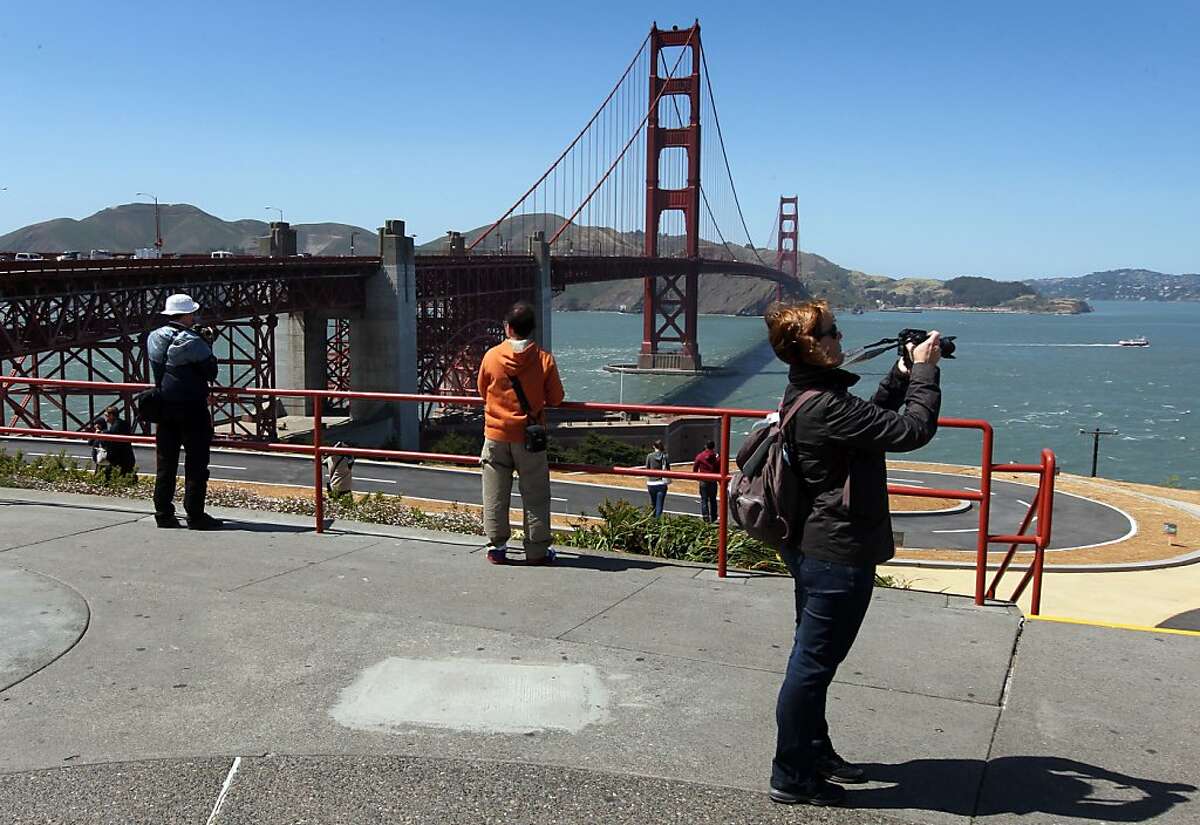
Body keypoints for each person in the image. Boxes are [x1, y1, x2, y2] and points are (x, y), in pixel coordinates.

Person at [764, 300, 941, 807]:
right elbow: (911, 430)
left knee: (813, 660)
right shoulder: (825, 404)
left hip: (814, 547)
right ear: (813, 346)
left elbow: (871, 419)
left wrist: (902, 372)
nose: (840, 336)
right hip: (836, 554)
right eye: (832, 331)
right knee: (812, 665)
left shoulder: (809, 391)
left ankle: (814, 753)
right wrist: (926, 372)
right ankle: (792, 775)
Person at [477, 301, 564, 565]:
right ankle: (537, 551)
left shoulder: (491, 356)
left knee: (494, 493)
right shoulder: (544, 359)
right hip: (529, 438)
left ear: (508, 328)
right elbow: (557, 398)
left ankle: (497, 548)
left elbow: (482, 391)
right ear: (532, 329)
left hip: (496, 436)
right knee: (535, 495)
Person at [147, 293, 221, 530]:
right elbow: (211, 372)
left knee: (165, 463)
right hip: (192, 409)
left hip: (163, 407)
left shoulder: (153, 337)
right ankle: (195, 515)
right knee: (196, 463)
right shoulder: (193, 340)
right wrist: (207, 342)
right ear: (187, 314)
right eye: (193, 313)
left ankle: (163, 514)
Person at [93, 406, 136, 479]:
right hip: (127, 457)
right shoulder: (122, 424)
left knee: (113, 475)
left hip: (120, 459)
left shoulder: (116, 427)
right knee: (127, 475)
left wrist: (102, 433)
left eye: (107, 416)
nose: (106, 420)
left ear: (112, 415)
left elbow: (112, 442)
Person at [692, 439, 720, 522]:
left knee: (704, 499)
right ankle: (714, 517)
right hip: (713, 480)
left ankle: (705, 516)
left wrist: (696, 476)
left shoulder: (700, 456)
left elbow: (695, 466)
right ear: (714, 447)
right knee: (713, 500)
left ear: (705, 446)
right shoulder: (717, 457)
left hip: (703, 480)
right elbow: (719, 468)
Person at [645, 439, 670, 518]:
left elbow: (647, 469)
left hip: (651, 483)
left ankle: (652, 520)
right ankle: (658, 521)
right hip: (661, 483)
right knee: (660, 505)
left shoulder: (649, 456)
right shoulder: (664, 457)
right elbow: (668, 470)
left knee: (653, 504)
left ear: (653, 446)